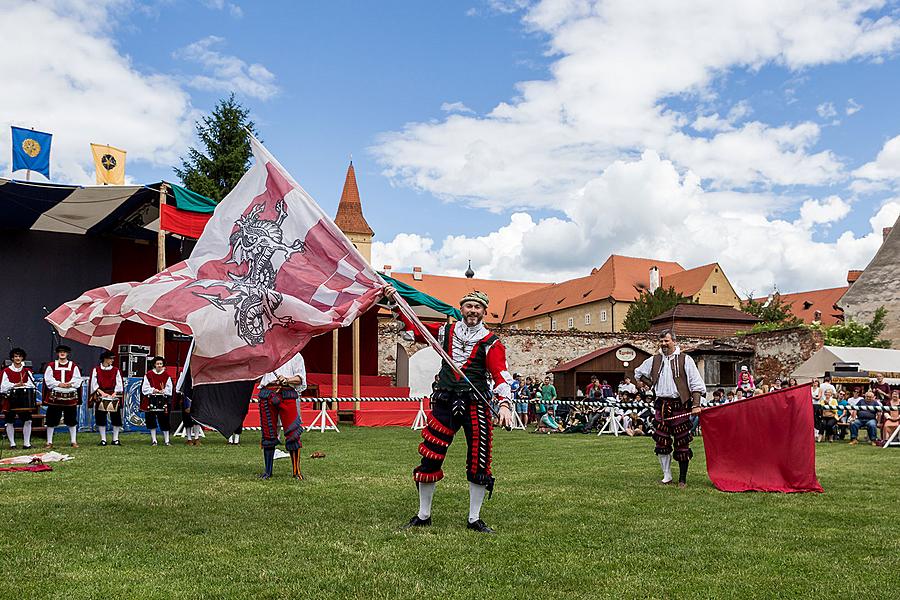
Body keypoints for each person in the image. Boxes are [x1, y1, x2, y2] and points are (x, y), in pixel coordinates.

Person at [386, 287, 513, 534]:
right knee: (430, 456)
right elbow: (414, 330)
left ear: (484, 312)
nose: (473, 311)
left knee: (480, 459)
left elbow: (501, 375)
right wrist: (395, 302)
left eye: (478, 307)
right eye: (468, 306)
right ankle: (424, 515)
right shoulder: (446, 331)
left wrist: (505, 404)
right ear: (461, 309)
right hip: (444, 401)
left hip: (475, 405)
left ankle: (474, 518)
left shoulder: (491, 342)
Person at [635, 330, 706, 488]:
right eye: (661, 341)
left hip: (680, 405)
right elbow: (638, 373)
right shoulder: (654, 360)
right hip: (661, 405)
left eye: (666, 341)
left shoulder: (685, 359)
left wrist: (696, 405)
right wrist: (651, 383)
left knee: (682, 442)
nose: (663, 344)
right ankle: (667, 475)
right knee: (661, 440)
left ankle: (682, 479)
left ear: (674, 341)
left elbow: (696, 384)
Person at [257, 352, 307, 479]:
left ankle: (296, 471)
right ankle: (267, 472)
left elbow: (300, 378)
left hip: (287, 394)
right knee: (268, 434)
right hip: (267, 393)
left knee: (293, 433)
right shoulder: (266, 355)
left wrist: (287, 379)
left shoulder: (296, 355)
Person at [43, 344, 83, 449]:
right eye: (60, 352)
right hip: (55, 398)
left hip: (70, 398)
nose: (62, 353)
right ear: (57, 353)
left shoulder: (73, 366)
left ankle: (73, 441)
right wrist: (59, 384)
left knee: (71, 420)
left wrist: (70, 384)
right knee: (51, 420)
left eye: (64, 352)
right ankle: (49, 442)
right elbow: (48, 379)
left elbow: (78, 379)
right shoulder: (51, 365)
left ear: (67, 353)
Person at [1, 347, 36, 449]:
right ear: (12, 358)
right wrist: (15, 385)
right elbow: (3, 386)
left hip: (24, 400)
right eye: (15, 356)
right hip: (10, 399)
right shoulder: (6, 371)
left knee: (28, 420)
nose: (17, 358)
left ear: (23, 358)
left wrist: (23, 384)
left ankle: (27, 443)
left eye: (19, 356)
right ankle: (12, 444)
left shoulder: (27, 371)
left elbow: (32, 385)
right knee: (10, 421)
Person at [89, 350, 124, 446]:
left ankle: (115, 439)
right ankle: (103, 439)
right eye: (111, 359)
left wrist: (115, 393)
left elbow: (119, 383)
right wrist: (101, 393)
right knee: (101, 417)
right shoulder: (96, 370)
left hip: (113, 395)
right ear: (105, 359)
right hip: (101, 395)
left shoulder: (116, 370)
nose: (112, 360)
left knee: (116, 417)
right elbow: (94, 383)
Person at [141, 356, 172, 446]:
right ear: (154, 364)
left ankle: (167, 440)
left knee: (165, 420)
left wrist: (164, 391)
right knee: (151, 420)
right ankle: (154, 440)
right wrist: (153, 390)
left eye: (161, 364)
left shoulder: (167, 376)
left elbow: (169, 389)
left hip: (163, 401)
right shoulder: (148, 375)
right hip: (151, 400)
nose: (159, 365)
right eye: (158, 364)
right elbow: (144, 388)